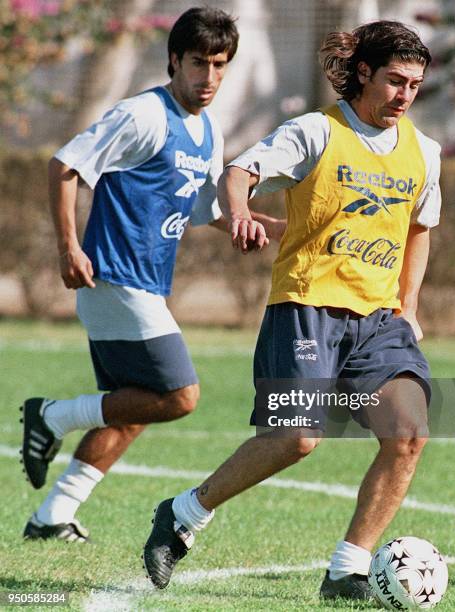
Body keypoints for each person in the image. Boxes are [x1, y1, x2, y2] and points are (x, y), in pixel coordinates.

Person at [143, 20, 442, 602]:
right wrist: (239, 214)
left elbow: (419, 228)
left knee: (408, 434)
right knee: (297, 437)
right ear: (362, 74)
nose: (405, 95)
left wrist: (409, 305)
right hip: (307, 307)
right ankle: (183, 514)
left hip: (379, 319)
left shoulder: (424, 152)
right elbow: (240, 173)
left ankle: (347, 569)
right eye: (395, 81)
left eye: (414, 84)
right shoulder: (315, 132)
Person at [20, 6, 277, 543]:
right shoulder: (142, 115)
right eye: (198, 63)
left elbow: (206, 208)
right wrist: (69, 247)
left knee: (135, 408)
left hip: (147, 284)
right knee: (179, 396)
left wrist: (254, 222)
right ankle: (52, 416)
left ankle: (53, 516)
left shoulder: (208, 131)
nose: (209, 78)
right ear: (174, 61)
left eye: (220, 65)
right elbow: (63, 166)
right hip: (112, 278)